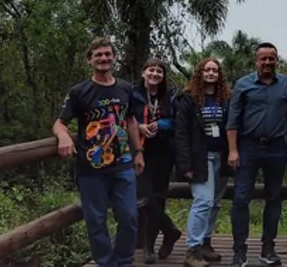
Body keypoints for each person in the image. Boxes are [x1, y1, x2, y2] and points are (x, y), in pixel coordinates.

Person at [53, 37, 144, 267]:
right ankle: (106, 263)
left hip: (123, 165)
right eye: (98, 55)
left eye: (107, 54)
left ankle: (124, 261)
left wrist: (139, 151)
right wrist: (63, 136)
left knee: (129, 217)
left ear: (113, 57)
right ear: (89, 60)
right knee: (96, 221)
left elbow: (131, 120)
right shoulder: (79, 92)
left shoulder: (125, 88)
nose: (103, 58)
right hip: (91, 168)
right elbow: (59, 123)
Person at [226, 42, 287, 267]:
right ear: (256, 60)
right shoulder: (243, 84)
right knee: (240, 198)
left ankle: (268, 248)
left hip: (277, 148)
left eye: (271, 58)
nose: (267, 62)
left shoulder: (286, 84)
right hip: (248, 147)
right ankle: (240, 250)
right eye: (263, 58)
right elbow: (233, 119)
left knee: (274, 198)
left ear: (277, 60)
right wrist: (233, 149)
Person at [176, 57, 232, 267]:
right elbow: (180, 133)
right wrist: (185, 165)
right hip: (200, 158)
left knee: (215, 204)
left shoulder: (226, 98)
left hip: (222, 157)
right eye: (207, 70)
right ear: (200, 73)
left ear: (219, 75)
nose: (211, 74)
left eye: (215, 71)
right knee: (203, 201)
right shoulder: (188, 99)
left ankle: (206, 243)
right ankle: (193, 250)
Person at [133, 58, 182, 263]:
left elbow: (176, 121)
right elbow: (124, 117)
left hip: (163, 151)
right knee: (142, 197)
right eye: (151, 70)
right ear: (143, 72)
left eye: (159, 71)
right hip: (139, 150)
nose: (155, 74)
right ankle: (170, 230)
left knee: (159, 197)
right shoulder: (133, 94)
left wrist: (159, 125)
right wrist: (140, 127)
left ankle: (149, 247)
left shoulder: (169, 97)